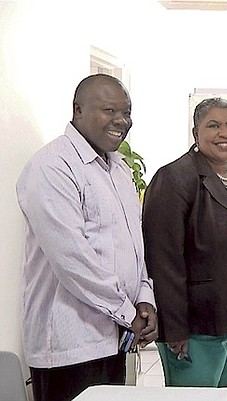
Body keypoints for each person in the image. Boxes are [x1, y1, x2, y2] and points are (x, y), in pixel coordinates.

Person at [15, 74, 158, 401]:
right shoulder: (53, 166)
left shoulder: (119, 169)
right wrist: (128, 312)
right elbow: (73, 261)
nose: (121, 121)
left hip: (113, 339)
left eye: (126, 112)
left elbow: (134, 245)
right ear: (77, 110)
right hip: (69, 346)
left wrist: (144, 297)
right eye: (109, 110)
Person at [142, 97, 227, 388]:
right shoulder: (175, 178)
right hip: (198, 327)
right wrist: (175, 327)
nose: (225, 133)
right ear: (196, 133)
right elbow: (163, 259)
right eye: (214, 126)